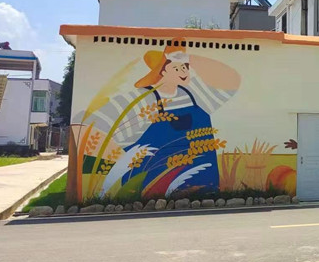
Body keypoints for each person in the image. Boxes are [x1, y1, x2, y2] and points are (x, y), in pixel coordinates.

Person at [89, 38, 241, 198]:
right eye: (176, 68)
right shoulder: (142, 99)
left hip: (204, 187)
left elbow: (231, 80)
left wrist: (190, 57)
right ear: (162, 72)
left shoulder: (196, 94)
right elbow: (96, 127)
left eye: (185, 67)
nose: (183, 71)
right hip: (151, 188)